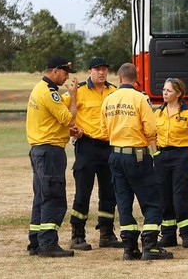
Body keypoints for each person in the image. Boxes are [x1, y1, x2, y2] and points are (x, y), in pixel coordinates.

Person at [103, 62, 172, 260]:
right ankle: (150, 245)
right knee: (152, 201)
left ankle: (129, 247)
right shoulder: (140, 98)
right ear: (136, 80)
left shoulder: (109, 99)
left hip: (115, 155)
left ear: (119, 78)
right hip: (137, 155)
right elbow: (151, 129)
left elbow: (103, 129)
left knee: (124, 202)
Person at [26, 56, 79, 257]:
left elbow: (51, 119)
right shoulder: (49, 93)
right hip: (50, 152)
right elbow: (69, 118)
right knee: (53, 197)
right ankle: (48, 244)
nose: (66, 78)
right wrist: (73, 96)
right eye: (65, 73)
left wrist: (69, 132)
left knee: (40, 196)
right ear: (55, 71)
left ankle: (35, 241)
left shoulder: (39, 88)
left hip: (39, 149)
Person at [68, 56, 123, 251]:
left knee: (110, 192)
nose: (101, 72)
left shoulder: (114, 92)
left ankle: (107, 234)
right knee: (83, 191)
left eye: (104, 69)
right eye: (97, 69)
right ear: (89, 71)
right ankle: (77, 235)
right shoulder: (79, 91)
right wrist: (72, 129)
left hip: (109, 146)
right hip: (87, 146)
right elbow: (64, 114)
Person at [154, 77, 188, 249]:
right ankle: (168, 235)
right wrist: (156, 154)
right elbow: (152, 135)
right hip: (162, 156)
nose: (165, 93)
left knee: (179, 198)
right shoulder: (158, 112)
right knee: (164, 198)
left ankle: (187, 234)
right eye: (164, 90)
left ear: (179, 94)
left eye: (169, 91)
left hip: (181, 156)